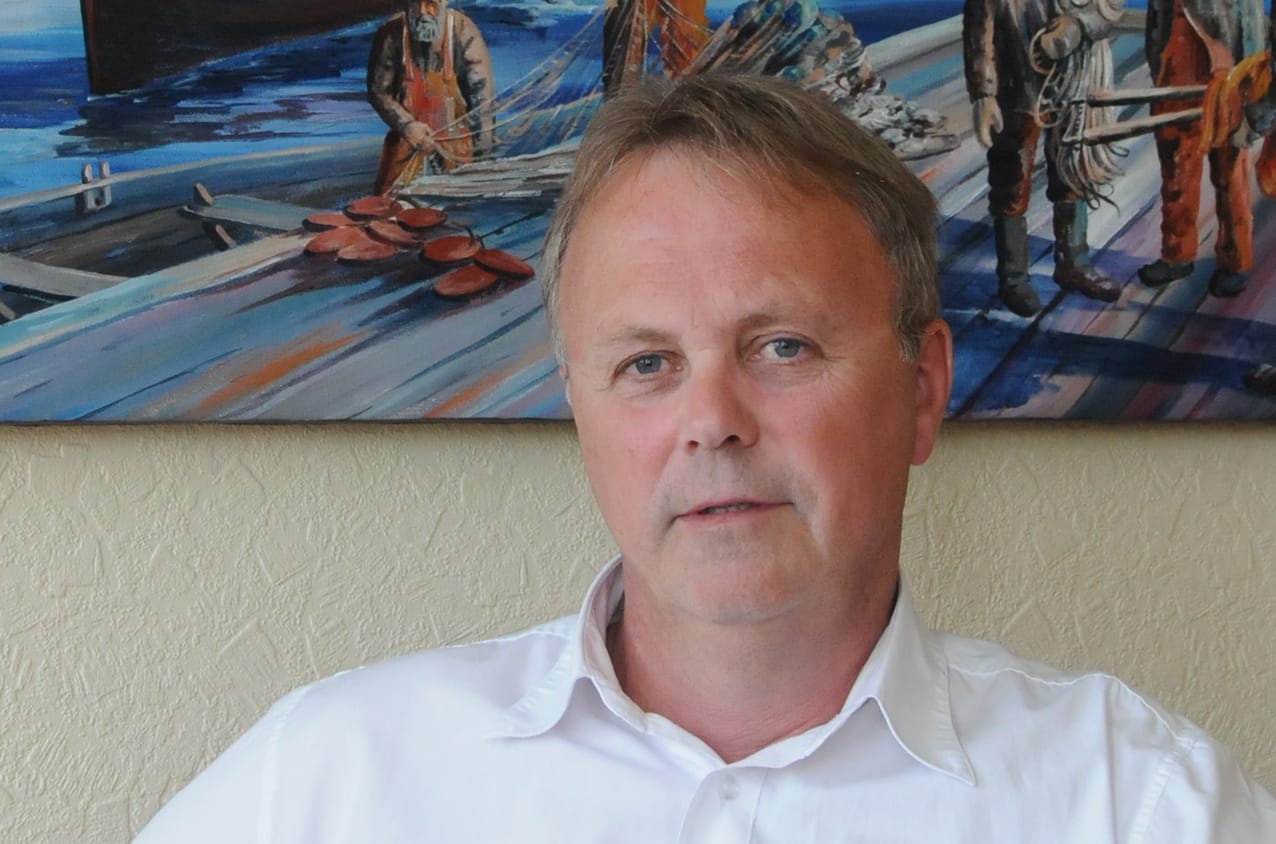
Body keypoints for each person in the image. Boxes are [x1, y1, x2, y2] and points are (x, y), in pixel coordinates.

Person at [136, 73, 1276, 841]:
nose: (713, 420)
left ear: (923, 389)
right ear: (581, 411)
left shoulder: (1141, 808)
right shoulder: (333, 785)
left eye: (782, 346)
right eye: (647, 362)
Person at [963, 0, 1124, 316]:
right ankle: (1013, 278)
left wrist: (1078, 25)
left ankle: (1074, 263)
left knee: (1073, 169)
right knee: (1011, 178)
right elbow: (980, 24)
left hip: (1076, 79)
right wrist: (984, 93)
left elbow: (1109, 7)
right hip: (1015, 80)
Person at [1139, 0, 1267, 297]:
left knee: (1230, 170)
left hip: (1225, 69)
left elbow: (1250, 19)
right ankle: (1177, 254)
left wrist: (1251, 79)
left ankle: (1235, 261)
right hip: (1173, 68)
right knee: (1176, 168)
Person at [366, 0, 494, 195]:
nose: (423, 12)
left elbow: (482, 99)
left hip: (456, 148)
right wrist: (406, 125)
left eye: (431, 4)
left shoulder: (463, 31)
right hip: (406, 142)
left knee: (458, 204)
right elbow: (379, 92)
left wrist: (481, 159)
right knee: (386, 204)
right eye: (416, 4)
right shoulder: (391, 34)